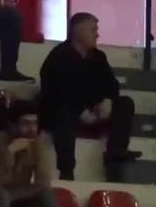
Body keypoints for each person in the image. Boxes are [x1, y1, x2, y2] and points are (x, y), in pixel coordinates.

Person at [38, 12, 139, 180]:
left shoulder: (98, 57)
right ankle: (66, 170)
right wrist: (80, 111)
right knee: (62, 112)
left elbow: (112, 84)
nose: (97, 34)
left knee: (125, 103)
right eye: (93, 30)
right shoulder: (58, 57)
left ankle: (116, 155)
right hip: (66, 111)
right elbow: (55, 93)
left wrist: (108, 100)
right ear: (78, 31)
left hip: (94, 109)